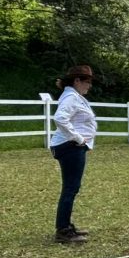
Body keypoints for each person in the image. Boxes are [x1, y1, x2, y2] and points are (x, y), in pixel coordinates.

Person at [50, 65, 98, 243]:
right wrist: (78, 138)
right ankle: (63, 231)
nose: (89, 86)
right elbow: (60, 118)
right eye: (87, 81)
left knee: (71, 188)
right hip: (70, 147)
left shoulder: (74, 96)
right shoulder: (71, 97)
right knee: (70, 188)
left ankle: (66, 226)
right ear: (77, 81)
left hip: (72, 146)